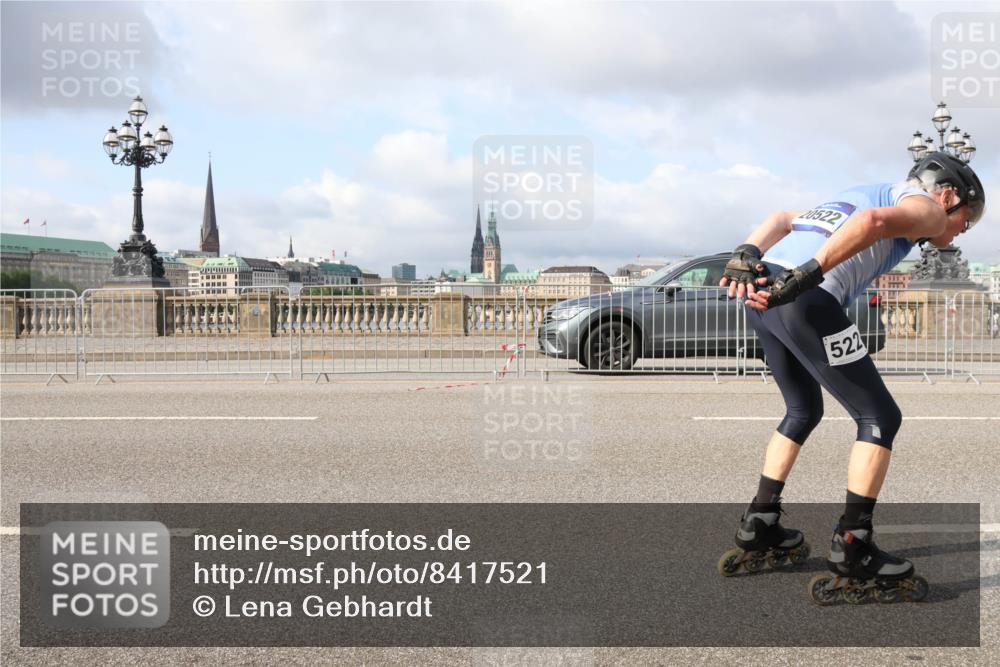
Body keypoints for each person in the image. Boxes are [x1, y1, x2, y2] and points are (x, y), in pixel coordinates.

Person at [715, 152, 985, 603]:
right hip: (804, 297)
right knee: (880, 417)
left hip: (763, 294)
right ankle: (854, 546)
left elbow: (782, 217)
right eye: (965, 219)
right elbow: (877, 222)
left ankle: (759, 522)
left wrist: (745, 252)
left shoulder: (854, 195)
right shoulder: (927, 207)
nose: (960, 230)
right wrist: (808, 275)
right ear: (948, 194)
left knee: (802, 410)